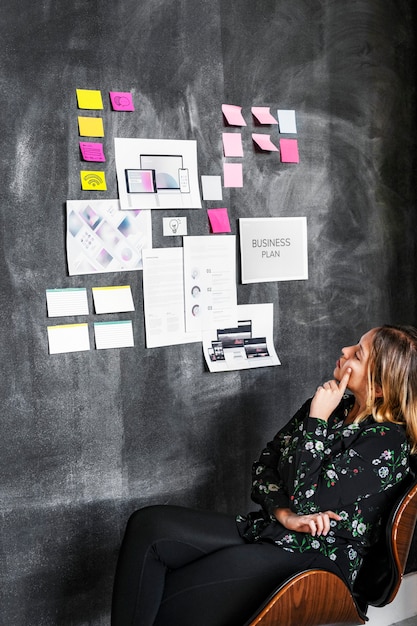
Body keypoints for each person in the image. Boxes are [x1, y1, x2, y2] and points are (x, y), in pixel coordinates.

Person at [111, 325, 417, 626]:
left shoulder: (385, 441)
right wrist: (284, 515)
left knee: (179, 593)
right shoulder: (333, 405)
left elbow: (308, 501)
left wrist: (317, 421)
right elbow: (264, 467)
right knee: (149, 525)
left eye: (357, 354)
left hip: (321, 559)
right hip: (278, 530)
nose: (345, 351)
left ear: (378, 387)